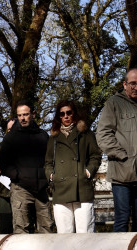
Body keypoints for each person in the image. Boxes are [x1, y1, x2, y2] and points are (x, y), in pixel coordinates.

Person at [96, 68, 137, 232]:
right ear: (125, 84)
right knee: (122, 220)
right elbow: (103, 135)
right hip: (122, 173)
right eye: (132, 83)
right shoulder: (113, 103)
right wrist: (122, 156)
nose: (136, 87)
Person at [45, 100, 101, 233]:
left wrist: (87, 172)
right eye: (62, 114)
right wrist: (52, 176)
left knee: (85, 235)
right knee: (64, 237)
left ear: (74, 114)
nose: (65, 116)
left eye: (69, 112)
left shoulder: (85, 134)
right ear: (58, 116)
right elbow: (47, 162)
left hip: (82, 189)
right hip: (61, 190)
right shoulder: (53, 137)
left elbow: (95, 156)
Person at [0, 100, 53, 233]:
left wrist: (46, 178)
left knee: (47, 229)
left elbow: (50, 160)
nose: (22, 118)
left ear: (33, 114)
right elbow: (4, 163)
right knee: (21, 230)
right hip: (20, 190)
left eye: (26, 114)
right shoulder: (10, 138)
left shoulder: (43, 136)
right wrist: (17, 176)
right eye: (19, 115)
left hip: (41, 190)